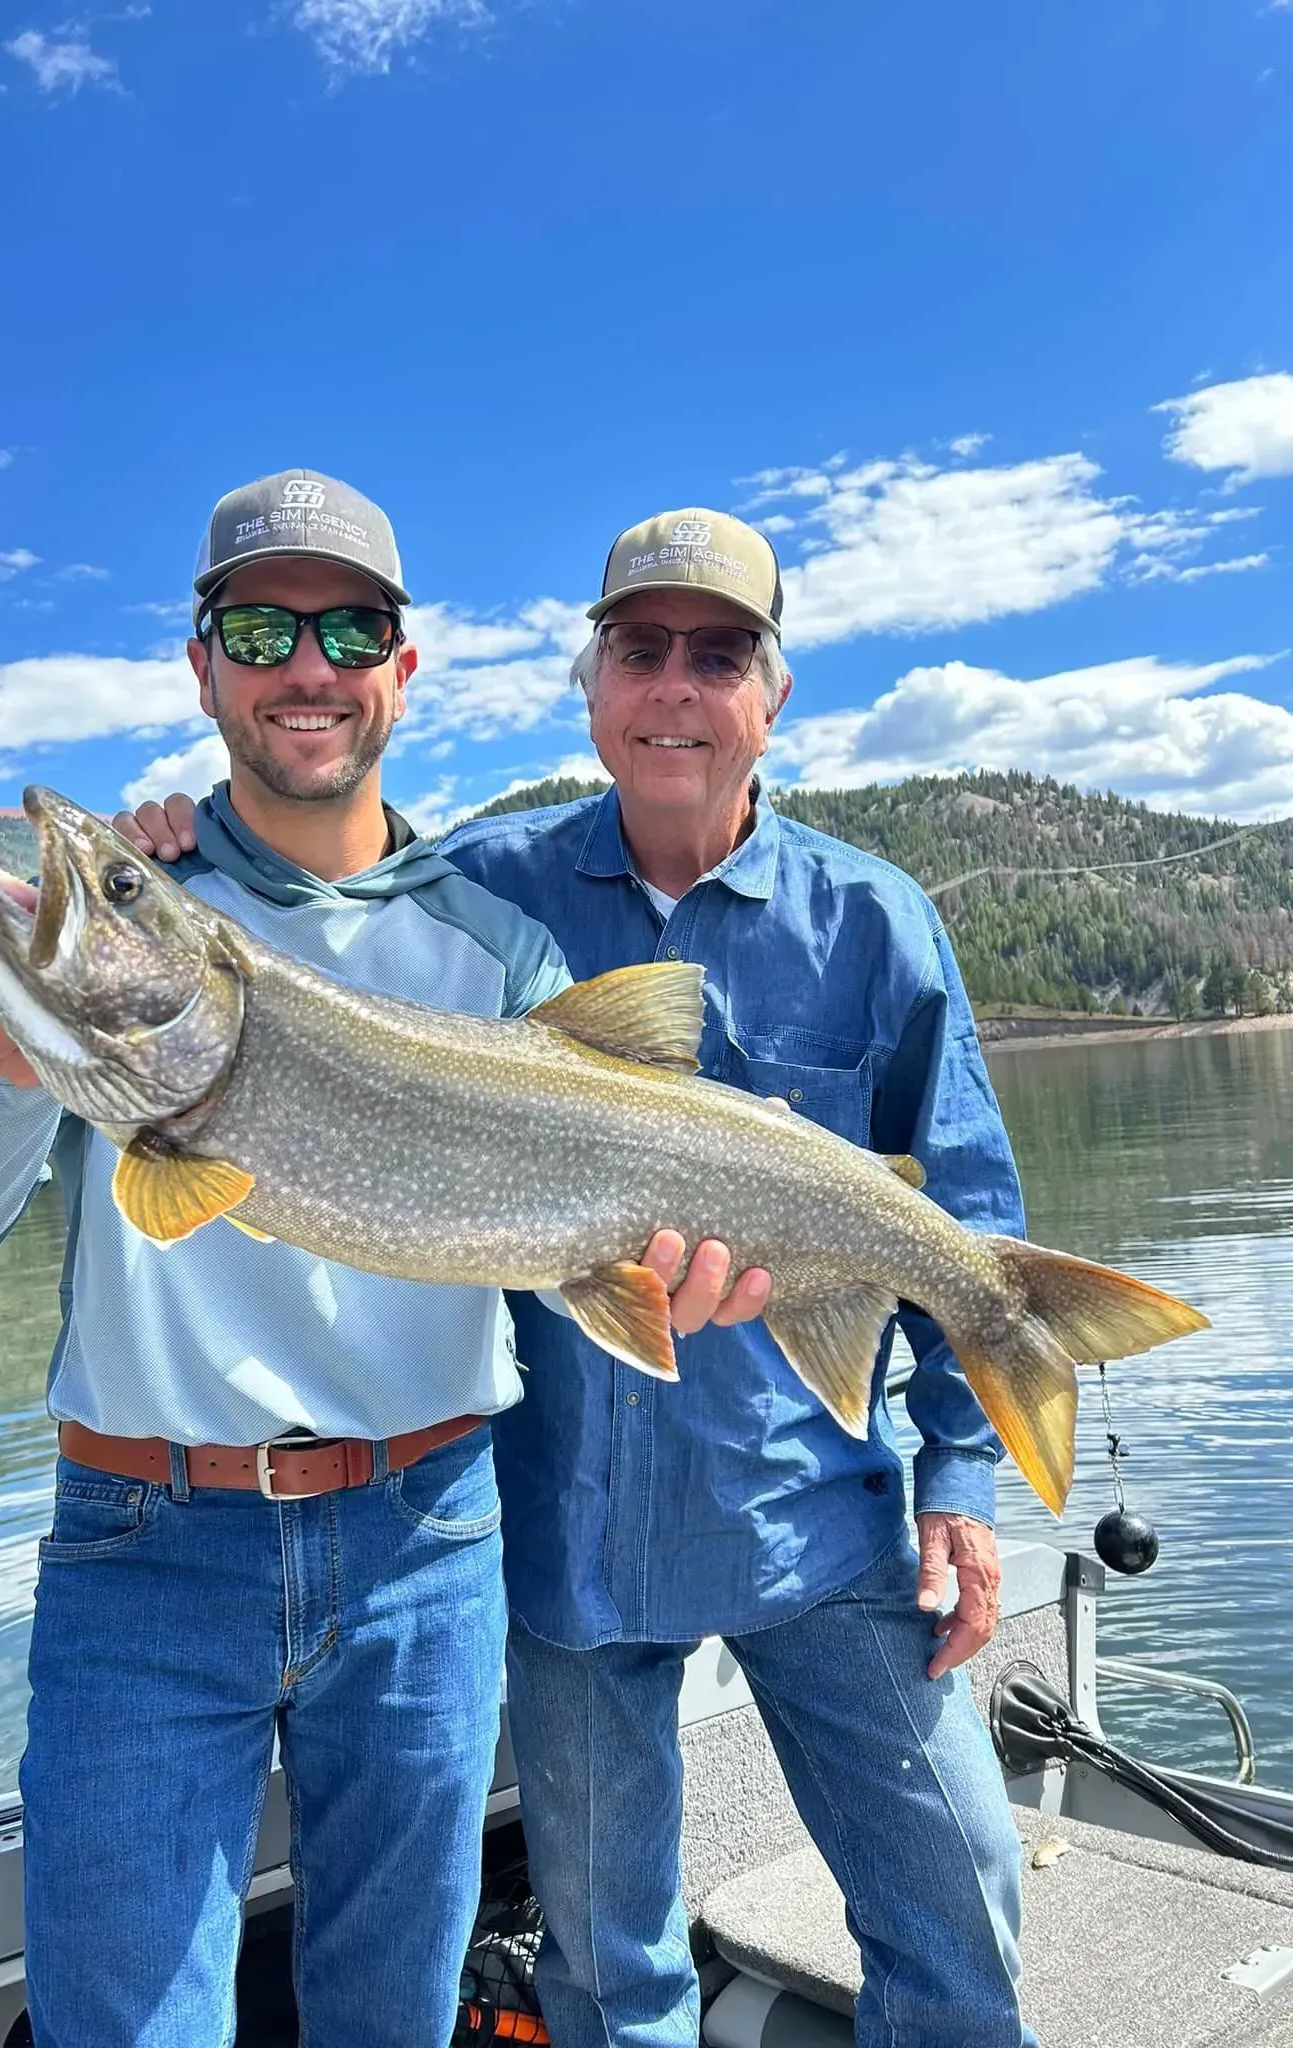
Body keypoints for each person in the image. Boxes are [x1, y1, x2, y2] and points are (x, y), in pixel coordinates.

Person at [0, 469, 762, 2048]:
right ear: (203, 663)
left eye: (350, 627)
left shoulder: (499, 949)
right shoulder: (134, 917)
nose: (309, 666)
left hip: (427, 1541)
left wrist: (674, 1277)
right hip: (143, 1549)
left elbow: (604, 1220)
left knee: (394, 2023)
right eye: (264, 625)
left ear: (400, 672)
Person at [123, 505, 1038, 2048]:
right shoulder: (472, 893)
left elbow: (960, 1213)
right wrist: (179, 846)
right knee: (611, 1982)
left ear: (774, 692)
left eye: (718, 652)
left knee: (960, 1922)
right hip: (565, 1548)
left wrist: (962, 1475)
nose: (674, 684)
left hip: (818, 1519)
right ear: (592, 682)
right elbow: (299, 916)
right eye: (639, 649)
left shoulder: (880, 922)